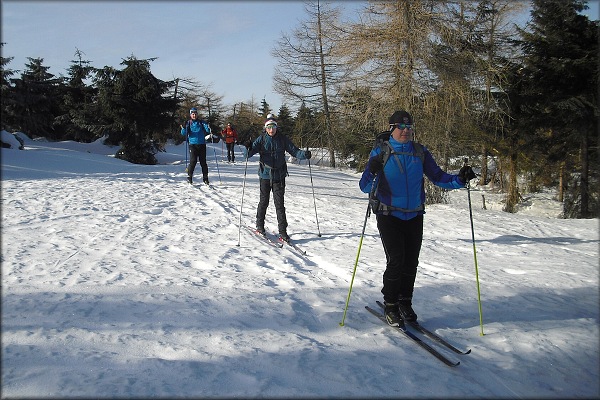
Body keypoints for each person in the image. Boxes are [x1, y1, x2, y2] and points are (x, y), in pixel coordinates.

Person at [359, 110, 476, 327]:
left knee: (411, 262)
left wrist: (460, 179)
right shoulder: (381, 152)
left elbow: (439, 177)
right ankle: (391, 304)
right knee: (396, 260)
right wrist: (372, 171)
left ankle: (405, 302)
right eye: (401, 128)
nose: (406, 131)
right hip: (388, 213)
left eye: (409, 128)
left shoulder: (420, 152)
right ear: (392, 128)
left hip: (414, 214)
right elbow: (365, 187)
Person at [244, 115, 312, 243]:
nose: (271, 130)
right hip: (265, 175)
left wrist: (305, 155)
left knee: (279, 205)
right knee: (263, 202)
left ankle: (283, 232)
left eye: (273, 127)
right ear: (266, 128)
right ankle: (260, 225)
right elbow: (248, 154)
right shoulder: (261, 139)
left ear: (276, 127)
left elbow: (295, 151)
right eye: (269, 127)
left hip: (279, 177)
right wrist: (247, 147)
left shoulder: (282, 139)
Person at [181, 107, 212, 185]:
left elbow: (208, 130)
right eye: (192, 114)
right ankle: (189, 177)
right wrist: (184, 127)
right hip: (192, 145)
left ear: (197, 114)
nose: (194, 115)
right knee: (193, 161)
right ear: (190, 115)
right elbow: (183, 133)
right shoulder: (188, 123)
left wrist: (208, 125)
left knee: (203, 162)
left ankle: (205, 178)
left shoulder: (201, 122)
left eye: (195, 114)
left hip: (202, 144)